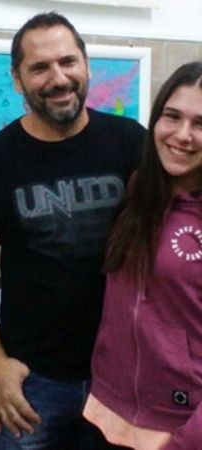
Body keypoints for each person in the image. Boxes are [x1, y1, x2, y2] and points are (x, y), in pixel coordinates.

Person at [0, 11, 146, 449]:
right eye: (39, 67)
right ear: (18, 80)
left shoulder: (130, 141)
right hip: (31, 384)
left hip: (117, 378)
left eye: (67, 62)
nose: (58, 78)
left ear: (86, 66)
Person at [84, 61, 202, 450]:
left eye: (200, 124)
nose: (183, 135)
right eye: (172, 117)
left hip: (177, 430)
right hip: (106, 413)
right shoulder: (139, 191)